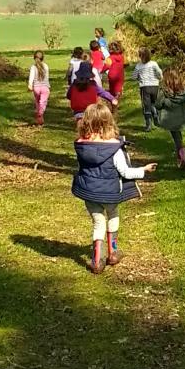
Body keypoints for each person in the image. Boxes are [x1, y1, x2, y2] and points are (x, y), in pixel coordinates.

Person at [72, 103, 157, 274]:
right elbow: (125, 171)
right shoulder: (114, 148)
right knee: (112, 215)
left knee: (98, 223)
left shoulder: (81, 145)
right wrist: (144, 170)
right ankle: (113, 252)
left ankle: (97, 261)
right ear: (109, 122)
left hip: (89, 192)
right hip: (110, 192)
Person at [155, 69, 185, 169]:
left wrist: (163, 102)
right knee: (178, 138)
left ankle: (182, 159)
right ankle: (181, 158)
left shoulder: (163, 92)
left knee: (177, 140)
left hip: (171, 121)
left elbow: (158, 105)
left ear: (166, 80)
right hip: (181, 120)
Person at [131, 47, 164, 131]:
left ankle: (148, 124)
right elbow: (159, 72)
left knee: (146, 105)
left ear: (140, 56)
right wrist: (159, 78)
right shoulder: (154, 63)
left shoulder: (139, 66)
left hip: (144, 87)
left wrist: (139, 78)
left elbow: (134, 76)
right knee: (154, 103)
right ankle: (156, 118)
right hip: (155, 86)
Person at [28, 50, 50, 126]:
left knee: (38, 102)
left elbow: (31, 77)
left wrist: (30, 85)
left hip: (36, 88)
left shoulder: (33, 67)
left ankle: (40, 118)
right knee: (43, 102)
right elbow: (47, 78)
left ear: (34, 58)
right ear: (43, 58)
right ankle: (40, 113)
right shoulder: (46, 66)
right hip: (45, 88)